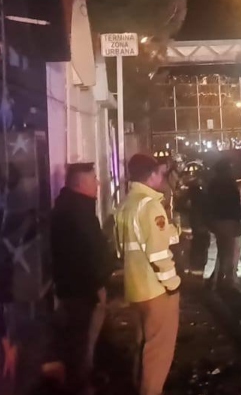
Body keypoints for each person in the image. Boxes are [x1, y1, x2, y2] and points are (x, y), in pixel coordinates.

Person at [115, 153, 182, 395]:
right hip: (156, 290)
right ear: (152, 175)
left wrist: (174, 232)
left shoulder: (126, 204)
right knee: (158, 352)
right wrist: (172, 283)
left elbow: (123, 247)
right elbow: (158, 254)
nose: (162, 178)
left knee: (142, 344)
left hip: (135, 288)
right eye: (160, 173)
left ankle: (139, 386)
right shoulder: (150, 205)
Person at [51, 163, 115, 394]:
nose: (98, 183)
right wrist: (98, 285)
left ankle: (85, 379)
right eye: (93, 179)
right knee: (82, 342)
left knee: (83, 341)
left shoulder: (74, 209)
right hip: (83, 291)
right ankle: (81, 386)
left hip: (78, 289)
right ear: (80, 184)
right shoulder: (77, 213)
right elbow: (85, 254)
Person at [206, 159, 241, 289]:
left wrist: (210, 222)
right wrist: (238, 221)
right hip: (229, 221)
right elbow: (235, 204)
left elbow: (209, 204)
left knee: (223, 250)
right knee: (229, 252)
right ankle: (226, 281)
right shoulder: (230, 184)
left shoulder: (212, 184)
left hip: (217, 222)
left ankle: (217, 279)